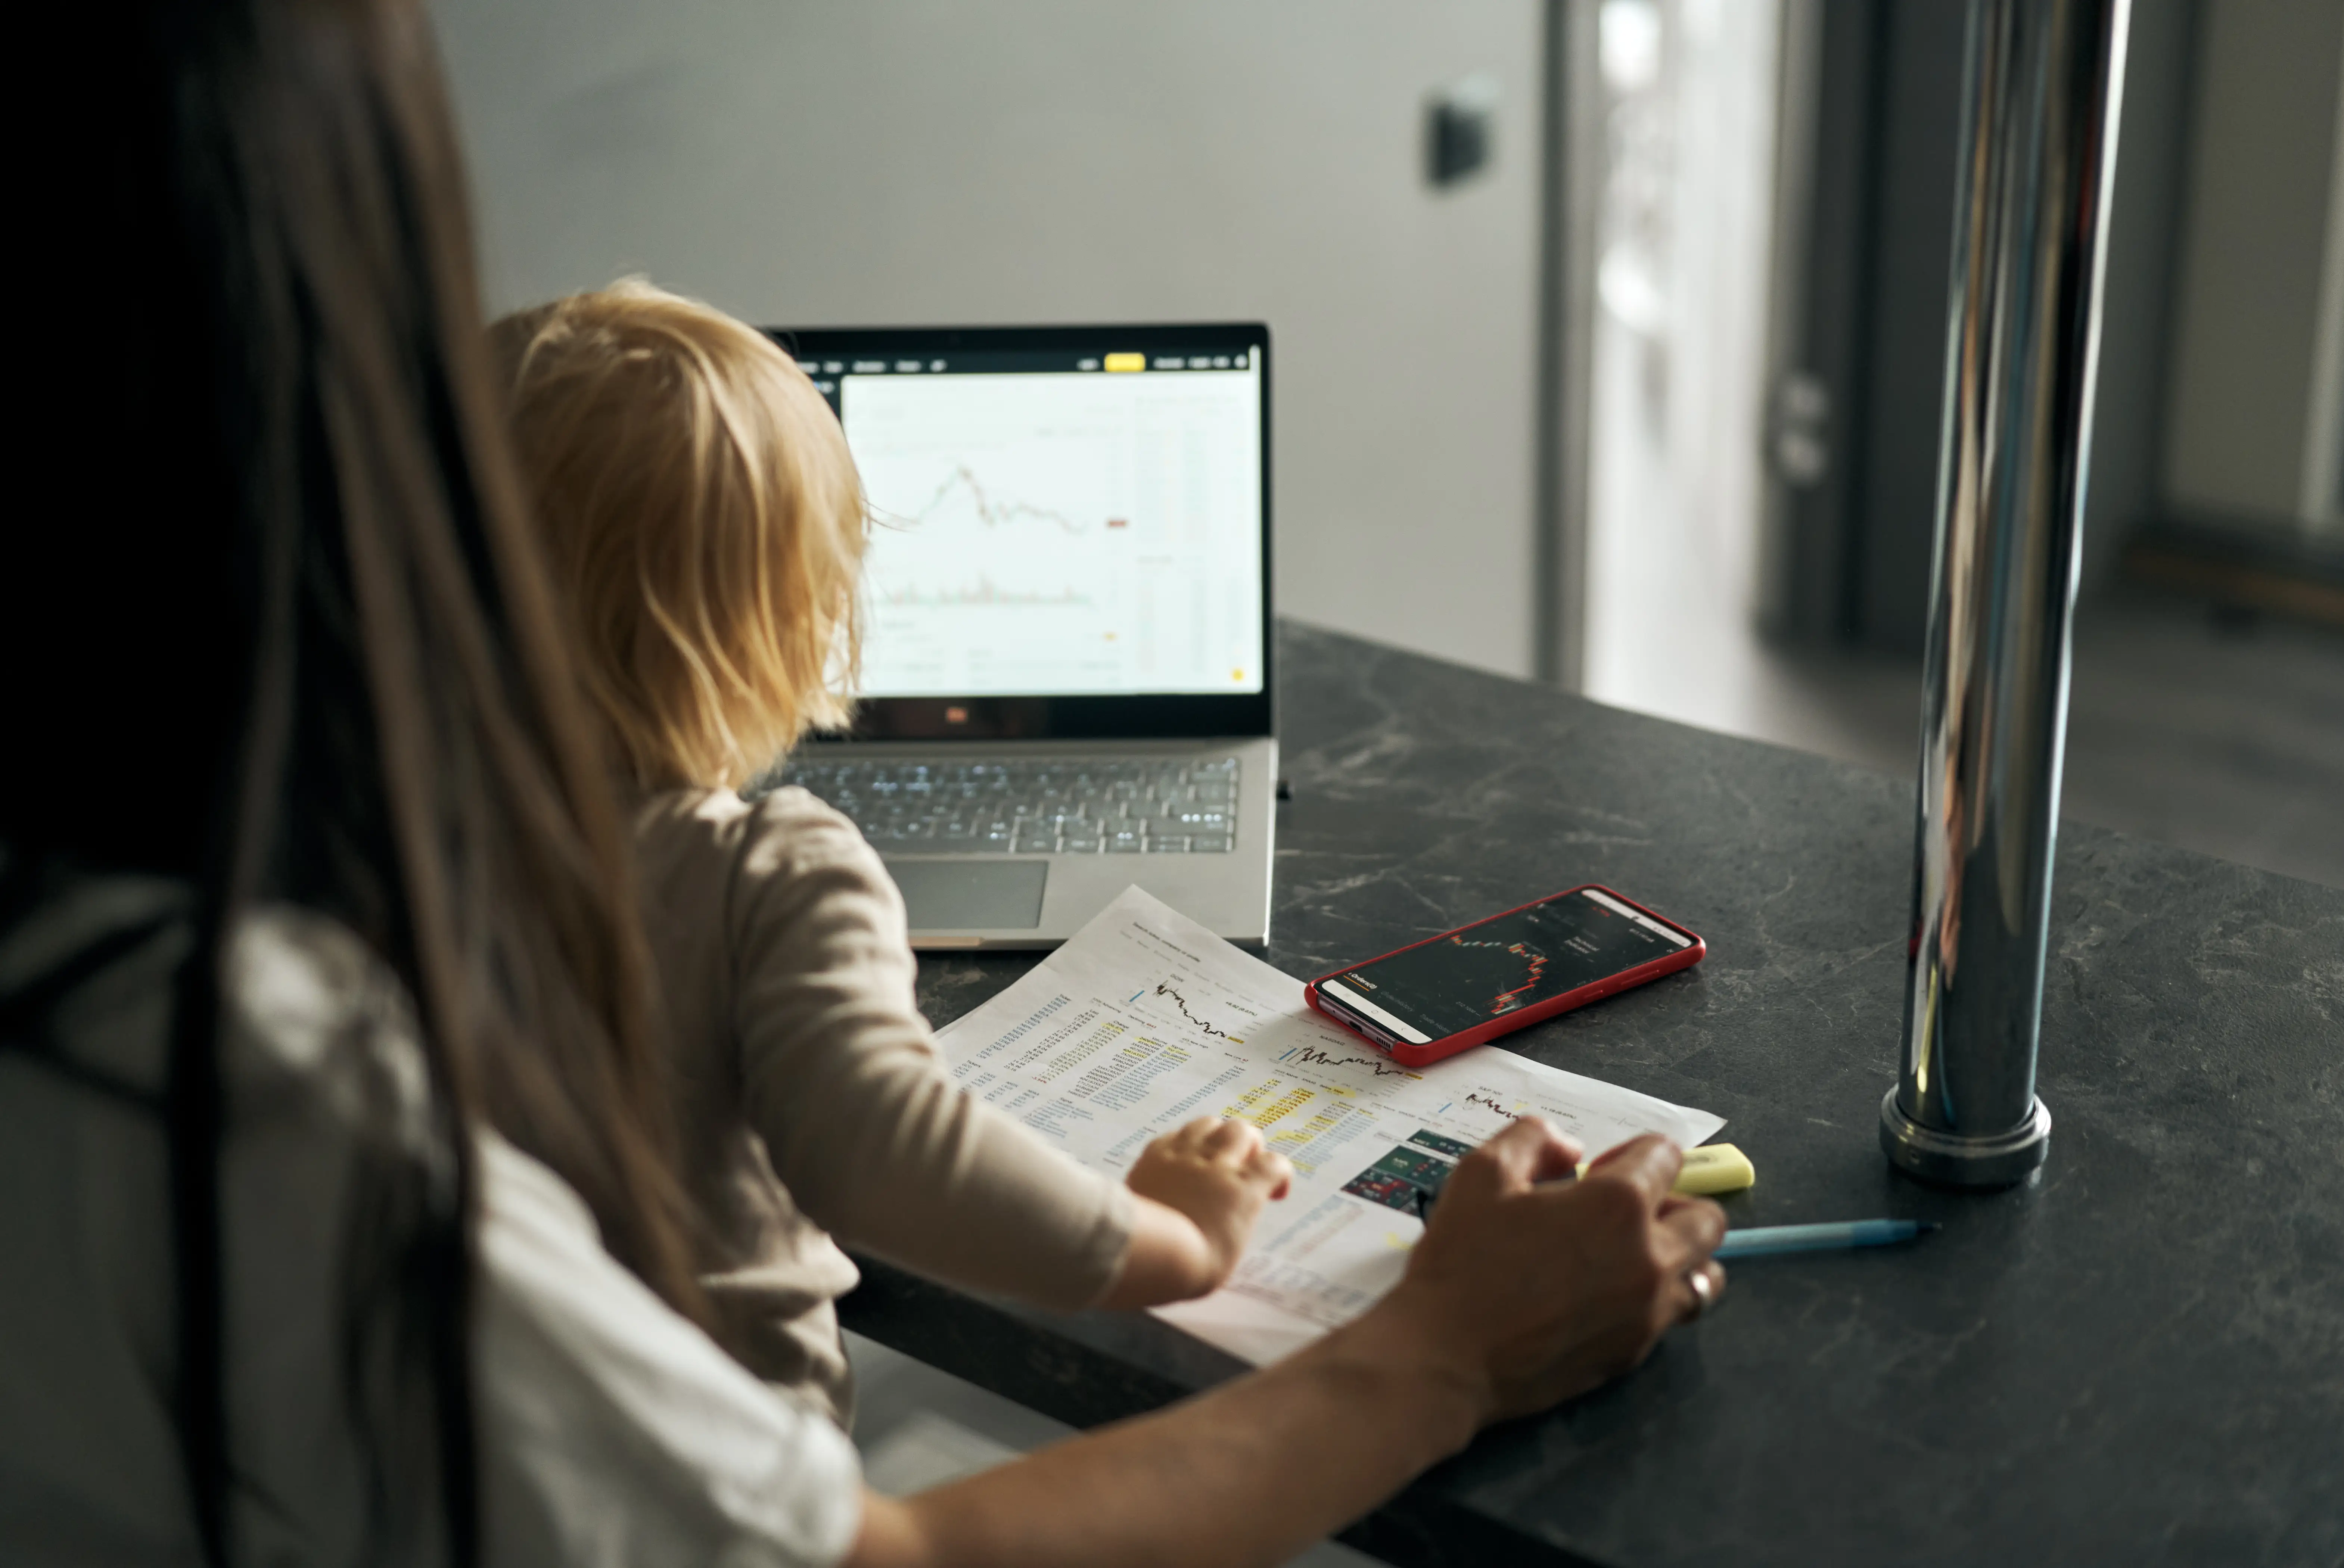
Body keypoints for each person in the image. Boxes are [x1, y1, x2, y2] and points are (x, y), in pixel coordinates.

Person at [0, 2, 1728, 1565]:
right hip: (763, 1430)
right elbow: (883, 1203)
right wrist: (1205, 1255)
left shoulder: (382, 858)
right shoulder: (323, 1056)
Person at [486, 281, 1290, 1425]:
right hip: (734, 1478)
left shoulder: (401, 851)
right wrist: (1176, 1239)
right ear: (785, 628)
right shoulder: (768, 873)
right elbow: (886, 1154)